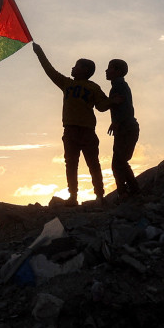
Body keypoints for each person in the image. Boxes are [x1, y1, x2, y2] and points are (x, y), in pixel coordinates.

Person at [32, 42, 111, 206]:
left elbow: (102, 107)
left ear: (85, 70)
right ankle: (73, 196)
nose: (73, 68)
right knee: (71, 164)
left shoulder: (93, 87)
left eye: (77, 66)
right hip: (70, 130)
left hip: (87, 131)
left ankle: (99, 195)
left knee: (93, 163)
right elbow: (50, 71)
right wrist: (39, 53)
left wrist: (113, 102)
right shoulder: (67, 83)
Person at [106, 59, 140, 201]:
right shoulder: (119, 86)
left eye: (110, 68)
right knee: (120, 162)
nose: (106, 71)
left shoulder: (119, 86)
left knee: (118, 163)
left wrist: (117, 122)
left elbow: (125, 108)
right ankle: (133, 191)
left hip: (126, 128)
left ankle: (125, 193)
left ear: (118, 71)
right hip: (126, 128)